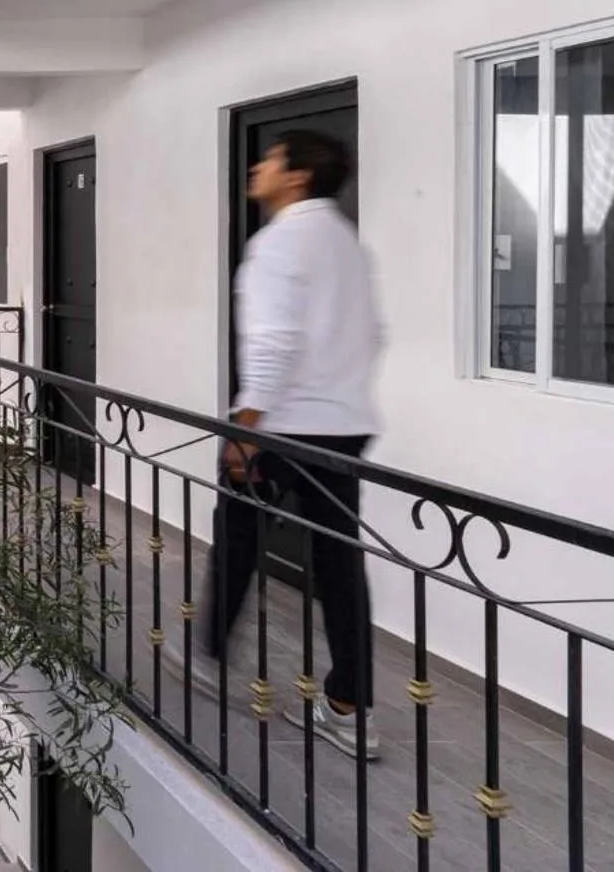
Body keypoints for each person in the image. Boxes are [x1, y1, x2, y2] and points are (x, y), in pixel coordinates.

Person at [203, 128, 383, 760]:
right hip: (344, 422)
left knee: (238, 533)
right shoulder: (346, 243)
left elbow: (273, 343)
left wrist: (245, 428)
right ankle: (350, 706)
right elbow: (372, 333)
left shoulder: (279, 242)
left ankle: (209, 654)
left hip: (283, 424)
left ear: (298, 175)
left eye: (272, 159)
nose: (259, 166)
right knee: (339, 561)